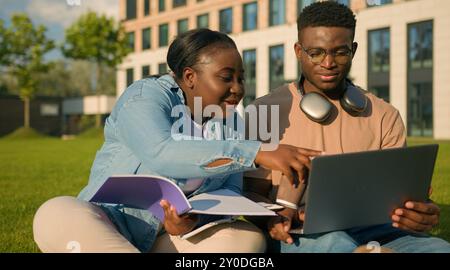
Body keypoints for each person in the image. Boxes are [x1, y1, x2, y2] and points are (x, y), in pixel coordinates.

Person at [32, 29, 320, 253]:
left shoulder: (231, 121)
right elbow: (162, 151)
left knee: (245, 241)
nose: (237, 89)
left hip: (166, 240)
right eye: (226, 77)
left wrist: (189, 223)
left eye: (241, 78)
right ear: (190, 76)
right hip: (107, 222)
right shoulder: (145, 97)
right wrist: (255, 151)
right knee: (55, 213)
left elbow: (228, 194)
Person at [243, 1, 450, 253]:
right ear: (298, 51)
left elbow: (400, 194)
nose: (328, 63)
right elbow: (249, 194)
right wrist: (273, 219)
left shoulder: (385, 115)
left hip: (379, 230)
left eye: (340, 52)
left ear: (353, 50)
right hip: (302, 232)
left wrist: (419, 212)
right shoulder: (263, 110)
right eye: (316, 53)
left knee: (438, 247)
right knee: (334, 243)